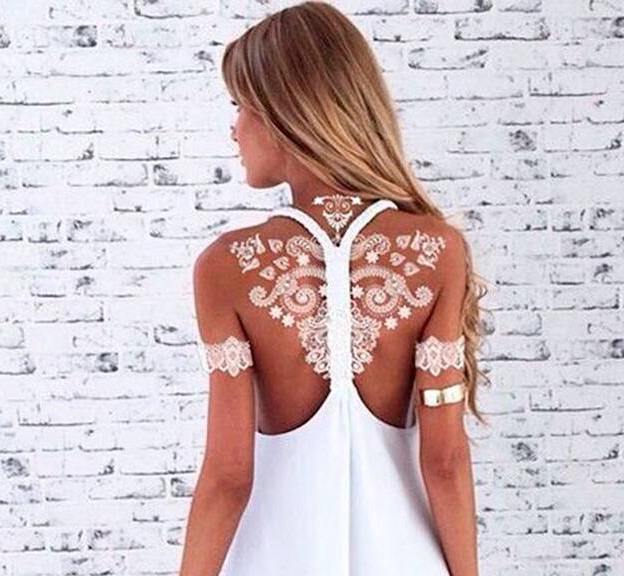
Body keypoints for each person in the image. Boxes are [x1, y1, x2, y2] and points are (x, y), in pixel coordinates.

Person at [179, 2, 490, 575]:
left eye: (240, 106)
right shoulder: (436, 250)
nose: (234, 128)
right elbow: (445, 460)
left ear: (285, 114)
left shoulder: (227, 266)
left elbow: (228, 475)